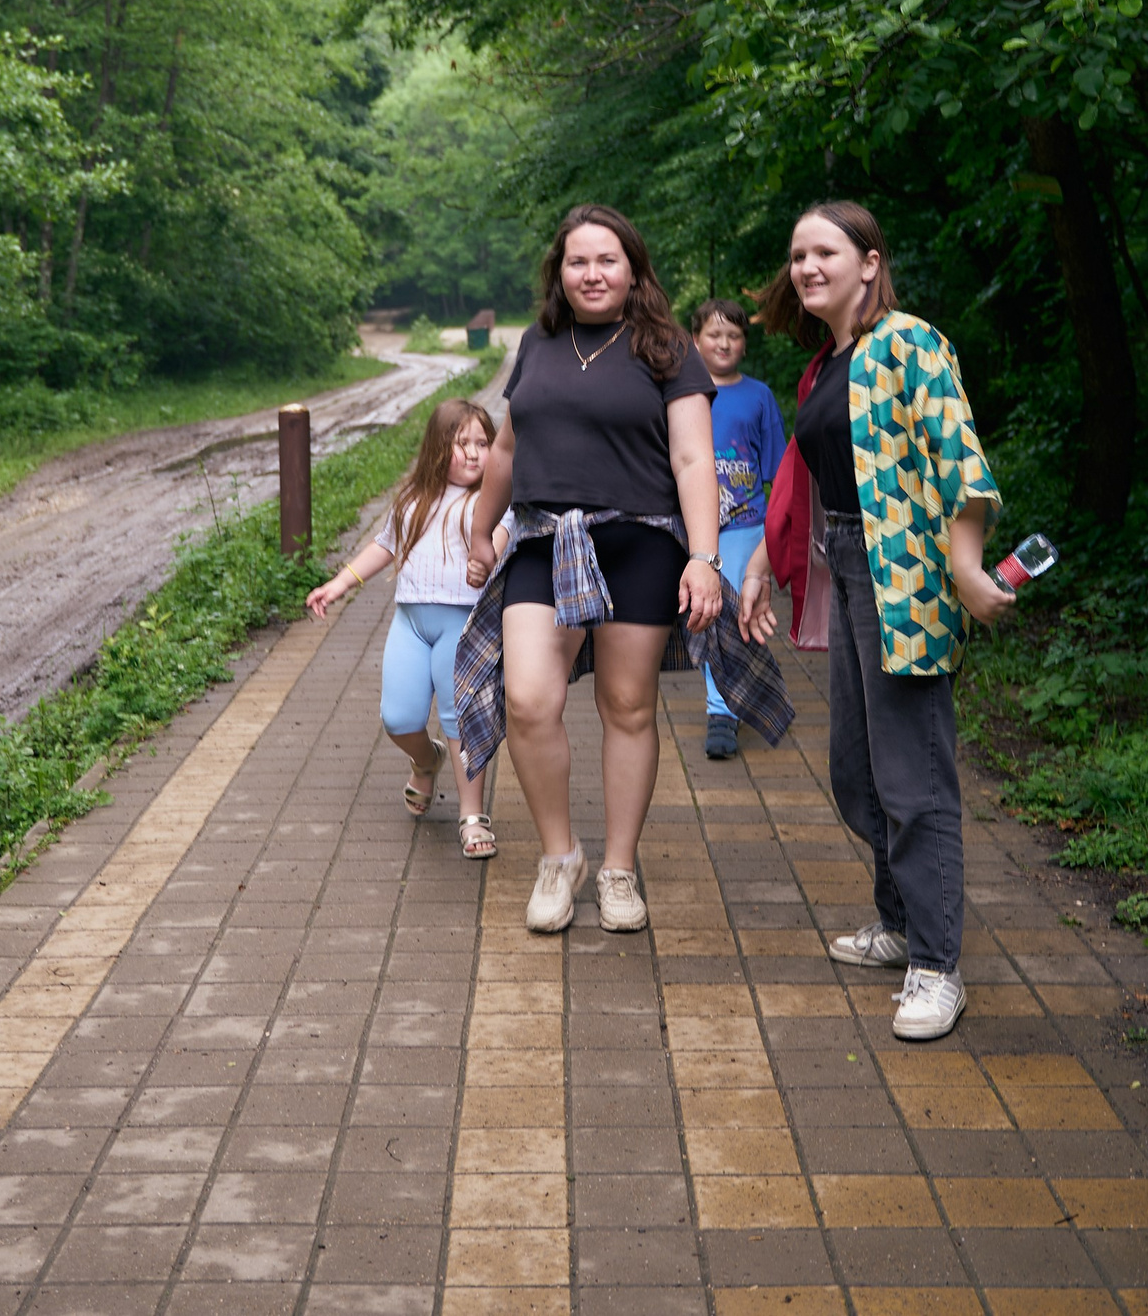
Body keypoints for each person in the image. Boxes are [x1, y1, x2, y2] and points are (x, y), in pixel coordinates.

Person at [454, 205, 793, 935]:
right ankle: (559, 855)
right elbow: (508, 449)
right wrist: (482, 530)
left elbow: (693, 459)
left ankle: (616, 867)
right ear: (560, 272)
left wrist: (705, 558)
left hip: (641, 541)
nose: (592, 273)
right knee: (528, 701)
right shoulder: (539, 342)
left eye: (607, 260)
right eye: (578, 261)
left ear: (633, 268)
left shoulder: (667, 347)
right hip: (546, 539)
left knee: (627, 705)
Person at [738, 202, 1011, 1041]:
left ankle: (937, 964)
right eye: (797, 255)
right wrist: (757, 564)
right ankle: (898, 922)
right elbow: (805, 476)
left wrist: (965, 566)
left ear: (870, 261)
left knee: (913, 778)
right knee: (856, 770)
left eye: (825, 250)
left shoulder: (909, 343)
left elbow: (958, 456)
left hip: (908, 579)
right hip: (847, 570)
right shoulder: (828, 365)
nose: (807, 266)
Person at [306, 398, 510, 860]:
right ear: (439, 449)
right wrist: (337, 585)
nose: (475, 453)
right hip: (411, 623)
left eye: (484, 443)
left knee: (461, 719)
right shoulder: (413, 500)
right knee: (398, 718)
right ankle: (426, 760)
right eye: (463, 444)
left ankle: (472, 814)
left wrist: (485, 561)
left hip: (464, 625)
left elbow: (497, 540)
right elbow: (382, 547)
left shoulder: (494, 503)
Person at [689, 298, 784, 760]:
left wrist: (774, 536)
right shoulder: (681, 394)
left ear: (744, 343)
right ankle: (722, 703)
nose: (724, 342)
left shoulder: (759, 396)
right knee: (706, 613)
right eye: (714, 334)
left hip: (746, 524)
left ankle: (721, 708)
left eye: (734, 335)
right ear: (695, 340)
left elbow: (778, 473)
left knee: (735, 613)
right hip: (695, 526)